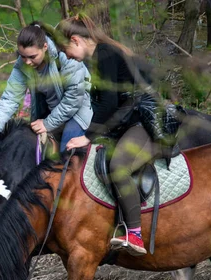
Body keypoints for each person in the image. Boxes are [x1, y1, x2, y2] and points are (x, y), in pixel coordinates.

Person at [57, 15, 165, 256]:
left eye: (64, 50)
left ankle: (135, 233)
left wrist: (88, 136)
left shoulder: (105, 55)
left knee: (118, 166)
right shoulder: (98, 58)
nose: (65, 57)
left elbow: (108, 104)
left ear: (75, 40)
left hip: (144, 123)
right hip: (127, 123)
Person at [0, 22, 93, 155]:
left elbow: (73, 100)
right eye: (23, 56)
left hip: (77, 112)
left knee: (66, 152)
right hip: (50, 112)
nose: (27, 62)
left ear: (45, 47)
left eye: (32, 57)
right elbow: (9, 99)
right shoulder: (22, 66)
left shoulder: (66, 57)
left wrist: (47, 124)